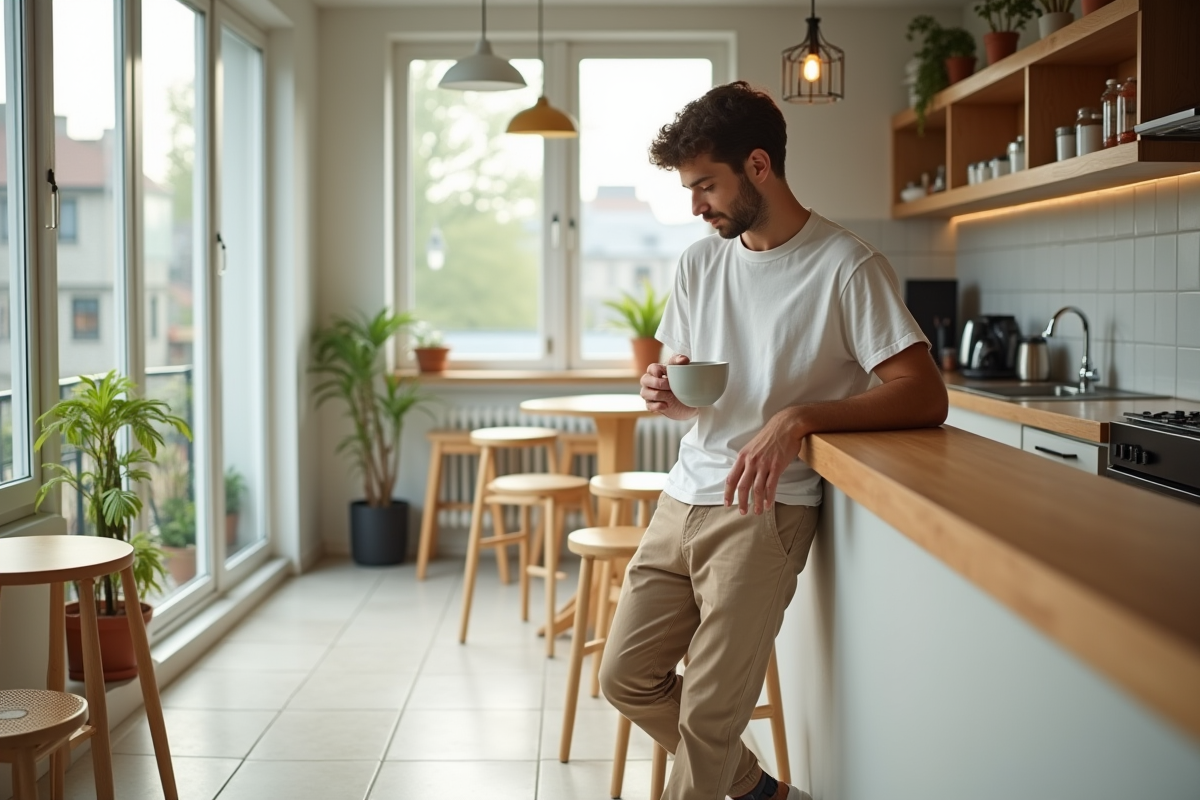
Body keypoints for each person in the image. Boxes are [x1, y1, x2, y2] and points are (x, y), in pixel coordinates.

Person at [597, 81, 948, 800]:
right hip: (682, 497)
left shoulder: (847, 266)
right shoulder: (701, 263)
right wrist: (662, 393)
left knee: (707, 716)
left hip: (765, 510)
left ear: (759, 166)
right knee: (625, 676)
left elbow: (925, 393)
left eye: (706, 187)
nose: (697, 207)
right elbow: (689, 389)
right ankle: (761, 793)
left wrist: (800, 417)